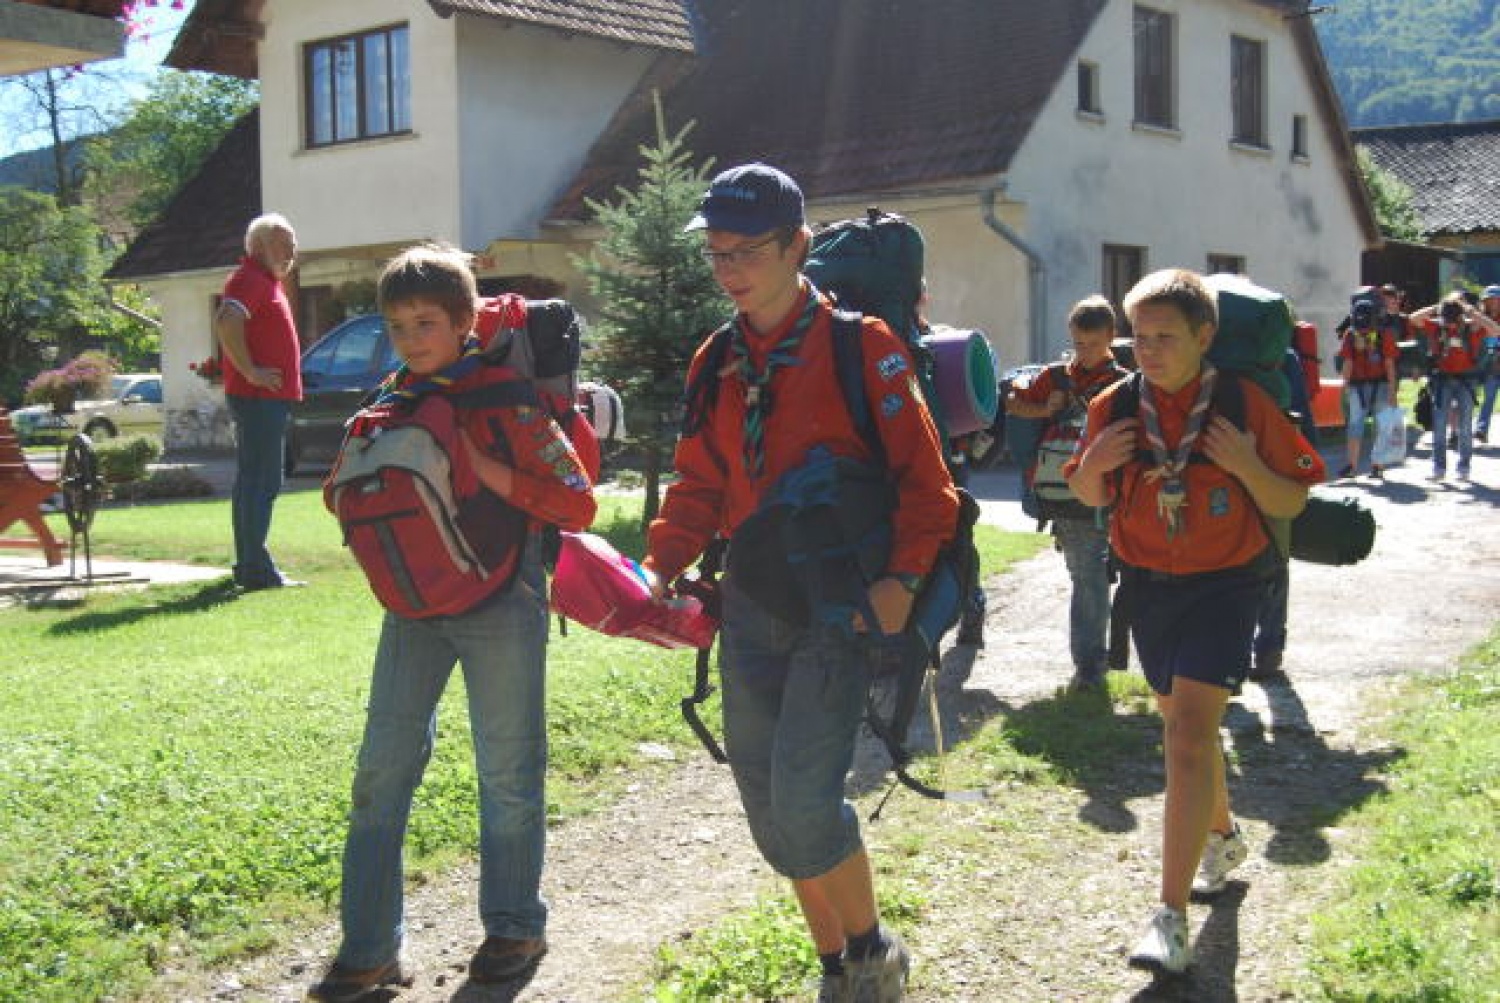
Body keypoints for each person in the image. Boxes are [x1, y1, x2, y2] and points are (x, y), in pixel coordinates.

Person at [641, 163, 957, 1002]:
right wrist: (662, 559)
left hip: (836, 612)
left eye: (746, 250)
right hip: (750, 603)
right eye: (716, 252)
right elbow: (701, 479)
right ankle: (836, 964)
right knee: (768, 814)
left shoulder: (862, 349)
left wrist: (899, 583)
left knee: (809, 807)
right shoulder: (718, 358)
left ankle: (872, 950)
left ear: (798, 246)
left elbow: (932, 490)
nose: (729, 267)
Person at [309, 245, 596, 1001]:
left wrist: (480, 464)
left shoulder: (504, 397)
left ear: (467, 322)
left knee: (507, 773)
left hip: (502, 603)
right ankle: (368, 948)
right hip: (411, 611)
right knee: (380, 773)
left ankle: (514, 926)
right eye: (397, 324)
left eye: (427, 321)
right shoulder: (391, 395)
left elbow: (576, 499)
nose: (411, 336)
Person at [1065, 268, 1324, 975]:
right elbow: (1085, 490)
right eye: (1138, 336)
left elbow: (1294, 498)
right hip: (1147, 587)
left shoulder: (1241, 404)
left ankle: (1169, 917)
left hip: (1225, 586)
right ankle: (1224, 834)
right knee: (1186, 727)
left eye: (1164, 337)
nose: (1147, 350)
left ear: (1205, 336)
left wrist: (1245, 465)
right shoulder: (1115, 404)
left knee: (1184, 738)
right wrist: (1093, 465)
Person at [1005, 295, 1126, 691]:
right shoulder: (1055, 377)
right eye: (1078, 344)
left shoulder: (1124, 383)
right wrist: (1044, 410)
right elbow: (1011, 404)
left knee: (1098, 575)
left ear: (1111, 336)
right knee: (1087, 576)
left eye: (1092, 344)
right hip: (1067, 497)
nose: (1085, 353)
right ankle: (1090, 665)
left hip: (1114, 493)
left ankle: (1107, 658)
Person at [213, 213, 305, 590]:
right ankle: (255, 569)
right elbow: (226, 319)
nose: (292, 251)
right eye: (285, 243)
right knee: (262, 480)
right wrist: (251, 371)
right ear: (261, 246)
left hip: (264, 397)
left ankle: (251, 564)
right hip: (259, 397)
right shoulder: (250, 278)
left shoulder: (263, 281)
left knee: (255, 480)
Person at [1251, 347, 1320, 682]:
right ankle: (1269, 649)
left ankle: (1229, 656)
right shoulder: (1281, 356)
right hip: (1279, 468)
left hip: (1224, 467)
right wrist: (1311, 464)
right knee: (1277, 562)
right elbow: (1302, 411)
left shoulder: (1212, 359)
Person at [1409, 292, 1499, 480]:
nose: (1449, 324)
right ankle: (1438, 467)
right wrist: (1437, 307)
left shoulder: (1471, 328)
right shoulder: (1437, 327)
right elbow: (1413, 318)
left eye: (1452, 321)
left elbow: (1495, 330)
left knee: (1466, 426)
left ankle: (1464, 466)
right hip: (1442, 380)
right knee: (1440, 425)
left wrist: (1472, 312)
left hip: (1466, 381)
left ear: (1460, 318)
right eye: (1446, 320)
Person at [1335, 291, 1398, 479]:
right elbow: (1347, 362)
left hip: (1380, 384)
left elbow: (1389, 363)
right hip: (1358, 386)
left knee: (1380, 425)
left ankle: (1377, 464)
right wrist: (1344, 386)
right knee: (1355, 425)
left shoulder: (1383, 334)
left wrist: (1392, 391)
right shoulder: (1350, 335)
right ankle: (1352, 465)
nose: (1363, 331)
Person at [1474, 285, 1500, 443]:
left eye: (1496, 300)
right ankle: (1481, 429)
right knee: (1489, 397)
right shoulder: (1480, 319)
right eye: (1490, 300)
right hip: (1487, 367)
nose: (1494, 303)